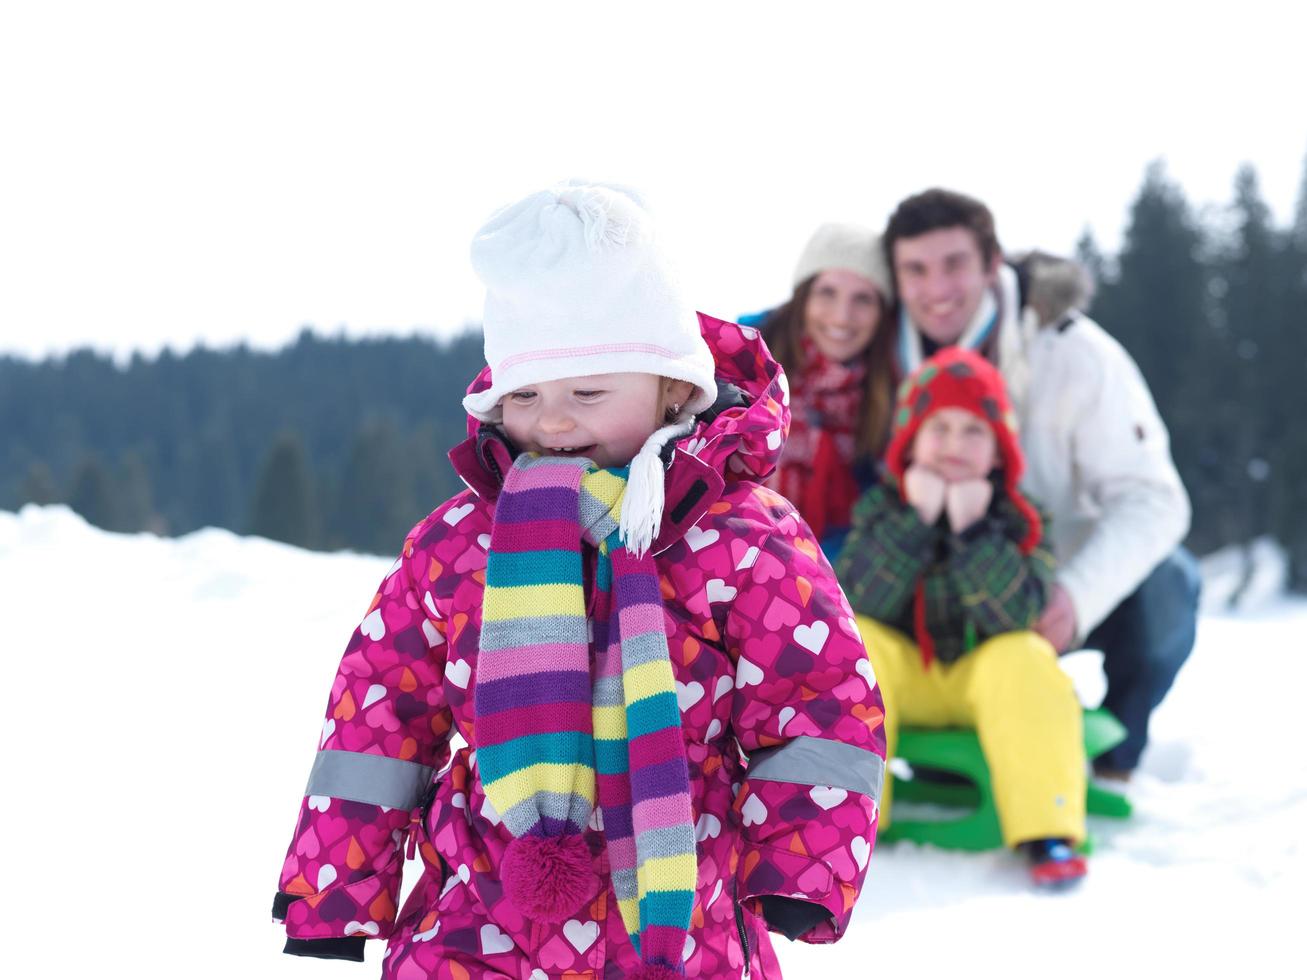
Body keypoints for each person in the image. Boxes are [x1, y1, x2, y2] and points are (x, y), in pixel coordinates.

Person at [270, 182, 886, 979]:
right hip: (482, 895)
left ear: (672, 388)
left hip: (677, 898)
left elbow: (819, 701)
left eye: (587, 394)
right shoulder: (460, 543)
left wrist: (804, 865)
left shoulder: (738, 539)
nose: (553, 422)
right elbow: (379, 715)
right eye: (523, 396)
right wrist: (336, 886)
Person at [882, 188, 1200, 778]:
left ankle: (1113, 758)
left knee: (1171, 586)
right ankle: (940, 761)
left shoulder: (1076, 355)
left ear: (992, 262)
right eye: (916, 270)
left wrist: (1075, 595)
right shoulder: (880, 352)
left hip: (1057, 571)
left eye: (954, 264)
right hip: (938, 591)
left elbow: (1154, 500)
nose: (937, 289)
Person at [838, 347, 1088, 887]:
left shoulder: (1021, 518)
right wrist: (917, 519)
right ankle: (847, 819)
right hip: (906, 677)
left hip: (986, 679)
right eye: (940, 428)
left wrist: (974, 530)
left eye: (973, 432)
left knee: (1027, 654)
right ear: (910, 440)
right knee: (862, 647)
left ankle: (1047, 826)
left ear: (999, 452)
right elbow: (859, 599)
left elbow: (1018, 615)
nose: (954, 445)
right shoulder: (882, 508)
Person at [743, 223, 896, 557]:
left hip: (826, 574)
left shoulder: (889, 393)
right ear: (805, 295)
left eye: (863, 299)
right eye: (828, 293)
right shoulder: (740, 355)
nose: (843, 317)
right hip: (729, 552)